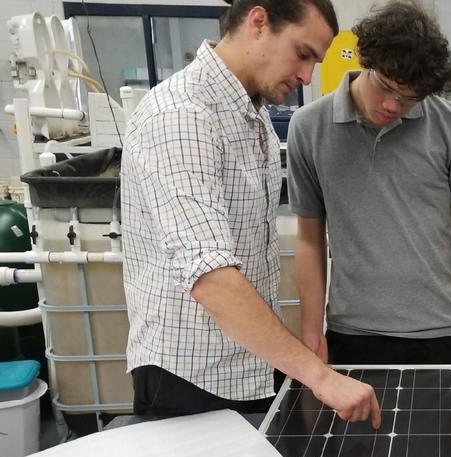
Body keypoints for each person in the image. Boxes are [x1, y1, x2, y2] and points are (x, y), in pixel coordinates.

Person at [121, 0, 380, 426]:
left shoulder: (253, 117)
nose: (306, 77)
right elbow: (211, 276)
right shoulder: (182, 116)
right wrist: (320, 376)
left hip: (250, 366)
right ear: (258, 23)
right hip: (190, 378)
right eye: (302, 54)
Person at [288, 1, 451, 372]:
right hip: (352, 331)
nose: (394, 105)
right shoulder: (309, 127)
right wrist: (312, 333)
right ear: (364, 57)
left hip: (437, 330)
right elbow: (310, 239)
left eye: (411, 98)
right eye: (386, 87)